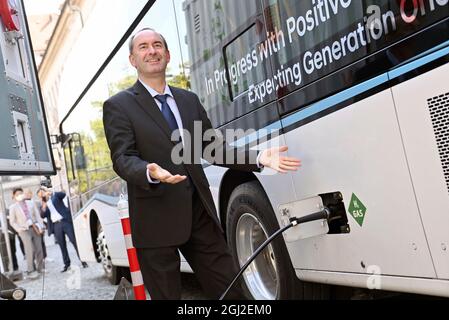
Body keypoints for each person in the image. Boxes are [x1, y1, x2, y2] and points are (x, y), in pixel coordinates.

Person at [102, 28, 301, 300]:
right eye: (144, 47)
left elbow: (211, 148)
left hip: (198, 214)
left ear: (167, 54)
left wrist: (257, 157)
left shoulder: (188, 100)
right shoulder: (119, 105)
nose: (152, 51)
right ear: (133, 59)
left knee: (231, 292)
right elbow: (123, 158)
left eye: (158, 45)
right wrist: (148, 171)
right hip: (154, 219)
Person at [39, 188, 88, 272]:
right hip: (56, 225)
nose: (43, 194)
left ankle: (83, 260)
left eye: (43, 192)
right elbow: (43, 215)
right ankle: (66, 264)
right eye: (40, 194)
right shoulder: (44, 204)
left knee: (74, 241)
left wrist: (51, 192)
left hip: (65, 221)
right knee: (62, 245)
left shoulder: (55, 196)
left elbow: (63, 194)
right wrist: (44, 206)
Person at [8, 188, 44, 279]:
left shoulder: (31, 203)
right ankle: (31, 270)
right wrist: (19, 229)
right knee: (30, 250)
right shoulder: (13, 207)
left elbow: (37, 215)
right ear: (14, 197)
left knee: (39, 248)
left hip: (34, 227)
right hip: (24, 230)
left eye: (21, 193)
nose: (20, 195)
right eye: (17, 194)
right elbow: (12, 222)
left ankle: (40, 268)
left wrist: (41, 226)